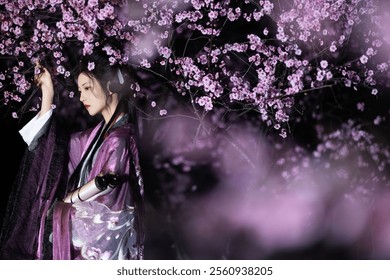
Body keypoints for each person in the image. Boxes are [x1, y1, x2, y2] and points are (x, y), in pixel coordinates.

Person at [0, 51, 144, 260]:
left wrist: (64, 204)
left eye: (87, 88)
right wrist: (47, 94)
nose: (81, 97)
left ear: (112, 86)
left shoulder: (119, 138)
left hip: (101, 248)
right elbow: (53, 150)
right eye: (79, 90)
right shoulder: (95, 137)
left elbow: (109, 202)